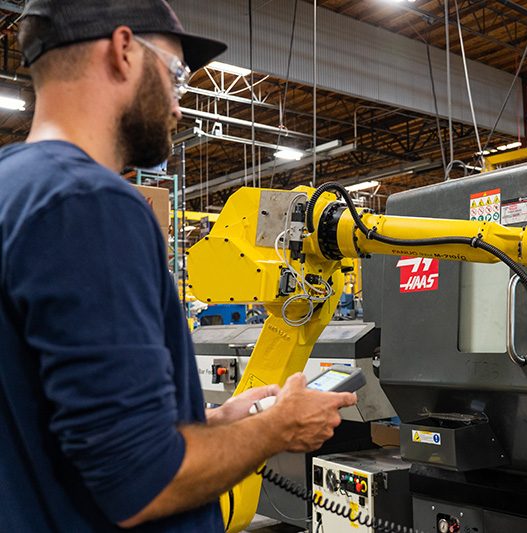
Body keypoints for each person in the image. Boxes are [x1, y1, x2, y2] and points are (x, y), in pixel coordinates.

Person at [0, 1, 357, 531]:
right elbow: (141, 481)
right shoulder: (92, 204)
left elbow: (51, 416)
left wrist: (207, 421)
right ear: (123, 50)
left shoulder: (13, 190)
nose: (179, 106)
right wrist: (277, 428)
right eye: (176, 75)